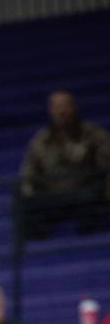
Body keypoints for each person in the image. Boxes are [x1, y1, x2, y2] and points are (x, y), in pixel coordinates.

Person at [18, 91, 110, 239]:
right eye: (56, 106)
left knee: (90, 196)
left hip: (85, 190)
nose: (61, 111)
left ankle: (87, 239)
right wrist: (26, 190)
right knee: (25, 202)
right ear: (50, 110)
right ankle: (41, 246)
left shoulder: (94, 134)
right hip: (54, 194)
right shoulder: (41, 139)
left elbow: (107, 164)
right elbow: (28, 171)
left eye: (65, 106)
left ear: (74, 107)